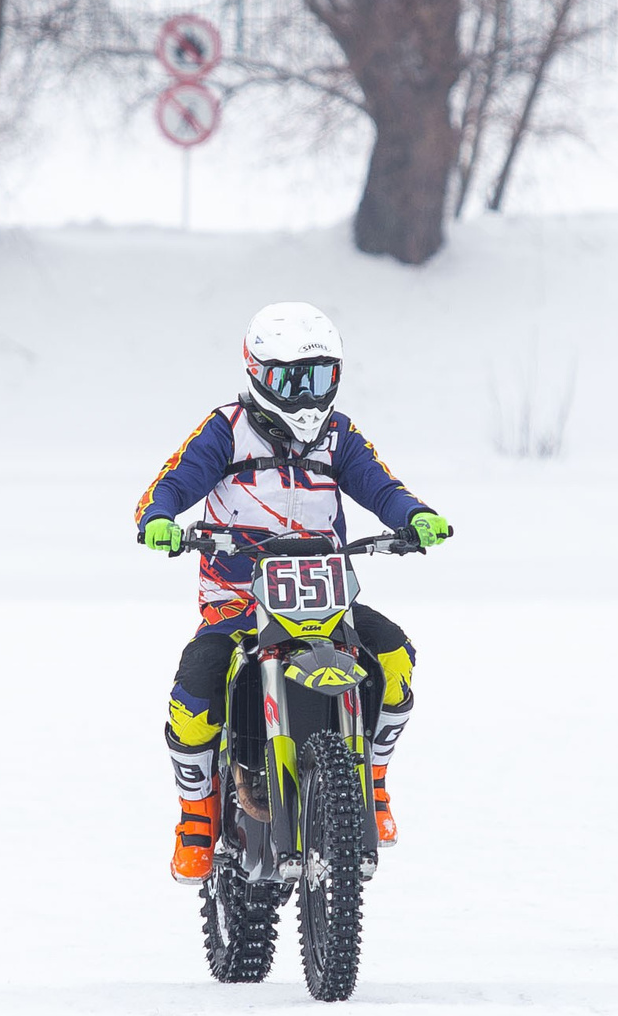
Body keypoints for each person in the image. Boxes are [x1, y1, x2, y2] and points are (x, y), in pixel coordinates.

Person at [135, 302, 449, 884]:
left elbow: (381, 486)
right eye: (290, 382)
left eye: (321, 379)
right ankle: (197, 816)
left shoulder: (339, 435)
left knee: (395, 655)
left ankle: (373, 782)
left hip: (328, 598)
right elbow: (174, 481)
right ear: (256, 373)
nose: (307, 399)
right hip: (239, 597)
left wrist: (415, 515)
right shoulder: (225, 431)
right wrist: (158, 517)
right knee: (199, 677)